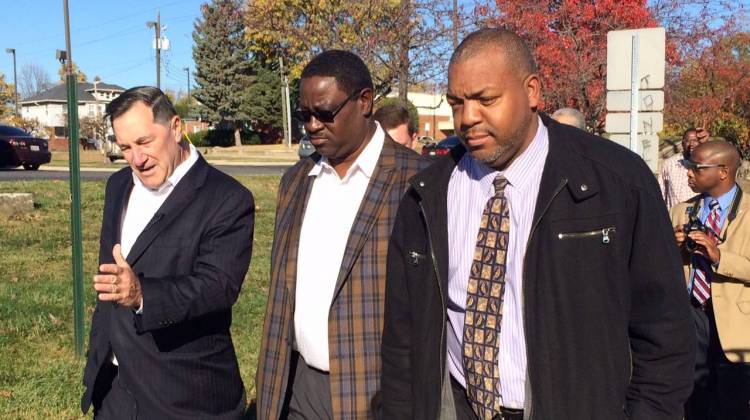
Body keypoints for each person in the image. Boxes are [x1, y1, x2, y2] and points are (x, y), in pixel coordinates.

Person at [381, 28, 695, 420]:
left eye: (486, 99)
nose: (467, 118)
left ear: (532, 91)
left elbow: (665, 334)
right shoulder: (427, 194)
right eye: (456, 103)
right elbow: (402, 341)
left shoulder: (616, 182)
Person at [256, 50, 428, 419]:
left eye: (325, 113)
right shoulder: (296, 181)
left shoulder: (419, 181)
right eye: (305, 115)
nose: (313, 125)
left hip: (376, 396)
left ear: (364, 102)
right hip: (297, 388)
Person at [80, 86, 254, 419]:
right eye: (125, 147)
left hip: (184, 393)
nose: (137, 159)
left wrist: (142, 293)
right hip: (115, 388)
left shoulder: (228, 198)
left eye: (144, 142)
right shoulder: (118, 185)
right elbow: (109, 274)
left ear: (176, 128)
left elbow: (218, 286)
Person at [669, 140, 750, 419]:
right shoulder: (681, 211)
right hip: (691, 317)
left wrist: (718, 256)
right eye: (687, 167)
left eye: (696, 168)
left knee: (731, 405)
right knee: (692, 402)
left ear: (723, 171)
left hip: (736, 324)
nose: (688, 174)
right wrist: (672, 247)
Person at [659, 127, 710, 209]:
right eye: (688, 141)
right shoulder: (669, 164)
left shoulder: (705, 164)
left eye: (695, 140)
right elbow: (661, 194)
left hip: (696, 216)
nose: (692, 144)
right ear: (682, 144)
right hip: (673, 217)